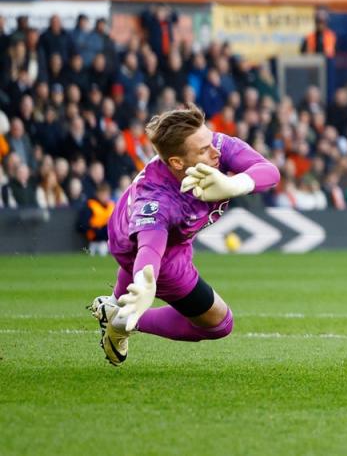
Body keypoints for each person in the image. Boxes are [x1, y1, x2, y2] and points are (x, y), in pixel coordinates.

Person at [88, 103, 280, 365]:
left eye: (210, 140)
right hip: (146, 245)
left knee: (162, 254)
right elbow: (150, 248)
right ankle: (122, 320)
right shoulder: (159, 200)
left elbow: (270, 172)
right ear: (177, 162)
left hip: (165, 231)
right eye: (204, 150)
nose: (216, 153)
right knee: (220, 323)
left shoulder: (216, 147)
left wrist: (234, 184)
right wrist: (146, 283)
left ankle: (115, 307)